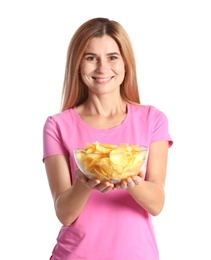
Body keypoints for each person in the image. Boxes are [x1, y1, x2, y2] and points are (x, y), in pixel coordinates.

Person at [42, 17, 173, 260]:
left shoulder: (153, 120)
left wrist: (132, 182)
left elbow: (156, 204)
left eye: (112, 57)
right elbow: (65, 214)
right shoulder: (57, 125)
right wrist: (84, 183)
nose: (102, 68)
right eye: (91, 58)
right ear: (77, 64)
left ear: (125, 64)